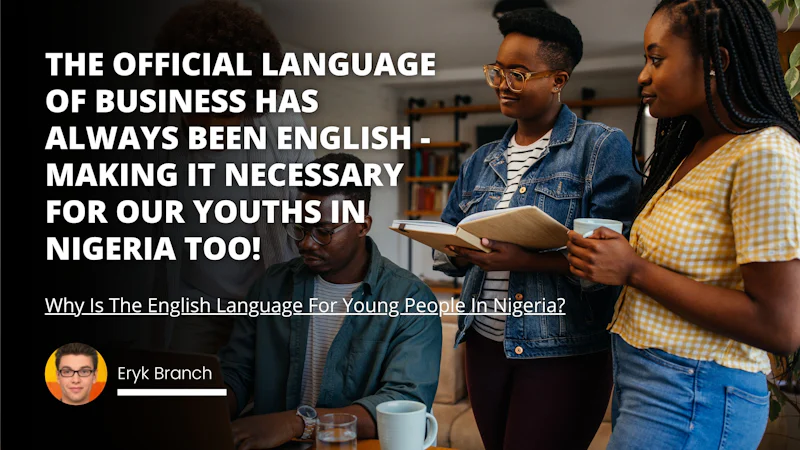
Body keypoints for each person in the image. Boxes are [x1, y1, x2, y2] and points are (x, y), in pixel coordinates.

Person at [566, 0, 800, 448]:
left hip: (695, 392)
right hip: (650, 379)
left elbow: (781, 326)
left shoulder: (766, 154)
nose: (643, 75)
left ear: (717, 62)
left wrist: (633, 269)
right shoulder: (699, 149)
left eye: (656, 59)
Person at [433, 7, 642, 450]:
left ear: (558, 80)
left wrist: (523, 259)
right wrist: (455, 249)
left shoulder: (599, 147)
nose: (503, 85)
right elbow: (448, 242)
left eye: (519, 73)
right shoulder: (480, 160)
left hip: (562, 351)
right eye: (498, 71)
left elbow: (609, 266)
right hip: (484, 347)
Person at [218, 153, 442, 449]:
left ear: (362, 225)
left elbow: (401, 402)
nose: (306, 243)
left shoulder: (410, 299)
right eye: (299, 228)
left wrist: (296, 423)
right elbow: (237, 371)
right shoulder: (272, 285)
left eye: (323, 232)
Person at [149, 0, 316, 354]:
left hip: (270, 299)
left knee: (270, 401)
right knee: (186, 402)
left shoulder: (281, 124)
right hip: (195, 303)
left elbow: (312, 210)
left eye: (235, 112)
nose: (221, 126)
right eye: (207, 112)